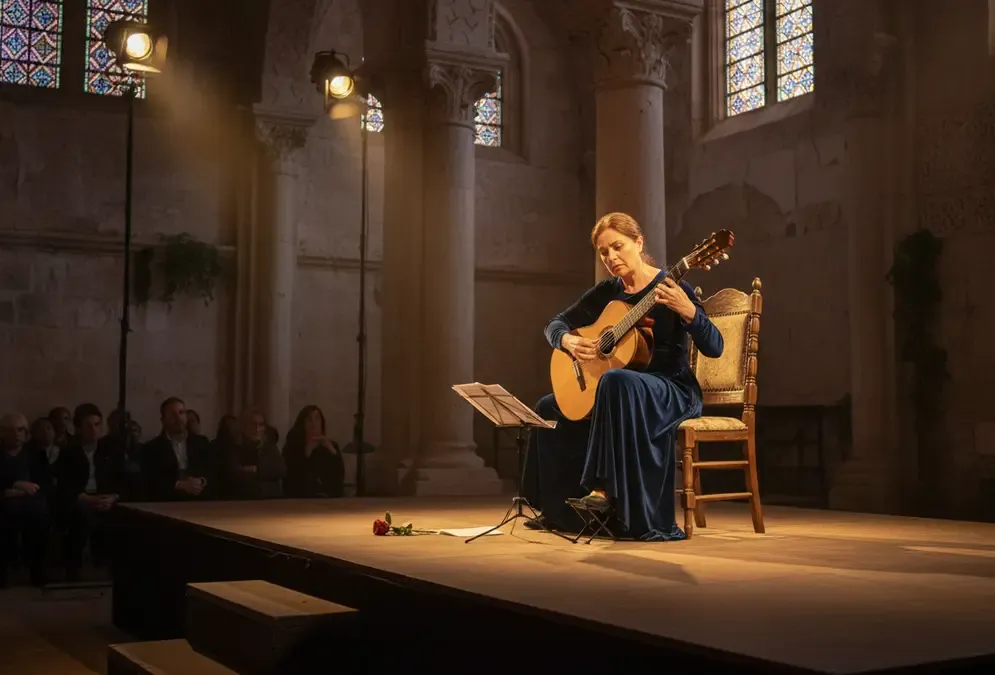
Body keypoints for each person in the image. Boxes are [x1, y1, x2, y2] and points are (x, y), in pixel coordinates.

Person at [521, 212, 724, 541]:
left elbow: (715, 347)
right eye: (604, 252)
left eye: (618, 247)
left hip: (670, 388)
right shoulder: (607, 292)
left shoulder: (674, 286)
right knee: (548, 406)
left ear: (639, 242)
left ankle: (605, 493)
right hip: (620, 391)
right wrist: (569, 341)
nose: (611, 257)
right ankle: (559, 513)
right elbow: (553, 326)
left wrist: (688, 312)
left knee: (616, 382)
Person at [283, 406, 345, 498]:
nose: (314, 423)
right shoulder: (293, 446)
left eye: (317, 419)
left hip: (328, 498)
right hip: (300, 498)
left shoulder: (331, 446)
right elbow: (291, 479)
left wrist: (332, 451)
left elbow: (339, 477)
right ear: (303, 424)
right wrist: (307, 452)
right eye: (309, 419)